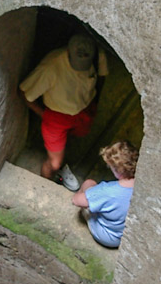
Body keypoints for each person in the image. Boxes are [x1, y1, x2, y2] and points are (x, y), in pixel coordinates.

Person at [20, 33, 107, 190]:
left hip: (84, 110)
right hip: (56, 116)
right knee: (53, 163)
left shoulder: (97, 55)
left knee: (74, 138)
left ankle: (62, 164)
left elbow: (101, 76)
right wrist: (45, 115)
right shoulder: (51, 67)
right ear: (68, 51)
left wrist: (94, 101)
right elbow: (26, 94)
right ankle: (44, 188)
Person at [72, 141, 136, 248]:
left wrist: (82, 194)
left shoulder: (107, 190)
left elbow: (76, 201)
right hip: (123, 235)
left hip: (108, 236)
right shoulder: (139, 186)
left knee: (89, 183)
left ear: (117, 170)